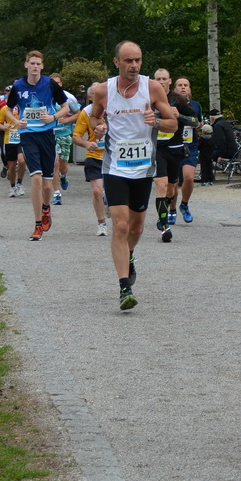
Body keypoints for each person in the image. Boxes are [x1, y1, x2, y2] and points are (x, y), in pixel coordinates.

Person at [85, 42, 176, 311]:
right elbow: (93, 119)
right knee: (121, 226)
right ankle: (125, 286)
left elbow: (173, 123)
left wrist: (156, 121)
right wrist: (99, 127)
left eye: (137, 60)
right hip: (114, 167)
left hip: (143, 167)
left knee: (136, 229)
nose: (134, 65)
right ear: (117, 62)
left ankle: (130, 255)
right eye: (128, 61)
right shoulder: (103, 90)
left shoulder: (153, 88)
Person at [8, 51, 69, 241]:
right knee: (35, 179)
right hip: (28, 136)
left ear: (42, 66)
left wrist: (53, 117)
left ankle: (46, 208)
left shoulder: (50, 84)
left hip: (47, 135)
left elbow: (66, 107)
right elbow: (7, 110)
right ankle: (36, 225)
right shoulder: (18, 86)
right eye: (31, 63)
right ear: (26, 65)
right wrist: (17, 123)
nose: (34, 66)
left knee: (48, 185)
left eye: (38, 63)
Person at [150, 67, 183, 241]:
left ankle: (165, 212)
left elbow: (197, 122)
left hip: (175, 149)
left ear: (170, 81)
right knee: (160, 187)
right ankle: (165, 226)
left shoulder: (178, 100)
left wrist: (180, 117)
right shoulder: (148, 98)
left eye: (164, 79)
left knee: (171, 188)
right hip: (157, 149)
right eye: (158, 79)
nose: (161, 82)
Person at [74, 108, 110, 236]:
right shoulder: (86, 113)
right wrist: (86, 144)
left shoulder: (117, 105)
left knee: (113, 193)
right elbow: (76, 136)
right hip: (94, 157)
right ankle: (102, 224)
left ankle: (109, 201)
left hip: (115, 158)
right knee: (97, 191)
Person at [174, 77, 203, 224]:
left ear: (190, 89)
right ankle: (171, 209)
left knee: (189, 178)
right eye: (180, 85)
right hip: (172, 145)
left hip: (190, 146)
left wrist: (196, 124)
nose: (183, 87)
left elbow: (200, 122)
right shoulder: (169, 104)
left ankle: (184, 205)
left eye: (186, 85)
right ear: (175, 89)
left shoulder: (196, 105)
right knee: (172, 182)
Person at [48, 72, 80, 205]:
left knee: (63, 166)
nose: (56, 85)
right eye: (53, 83)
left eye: (58, 83)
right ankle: (56, 193)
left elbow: (79, 114)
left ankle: (63, 176)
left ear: (61, 84)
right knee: (54, 164)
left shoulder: (68, 97)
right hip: (50, 135)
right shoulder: (44, 97)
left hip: (65, 134)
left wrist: (66, 119)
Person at [0, 87, 25, 196]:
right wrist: (3, 127)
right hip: (10, 139)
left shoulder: (24, 107)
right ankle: (12, 187)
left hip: (23, 138)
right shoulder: (5, 109)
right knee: (12, 165)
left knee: (22, 161)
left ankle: (20, 184)